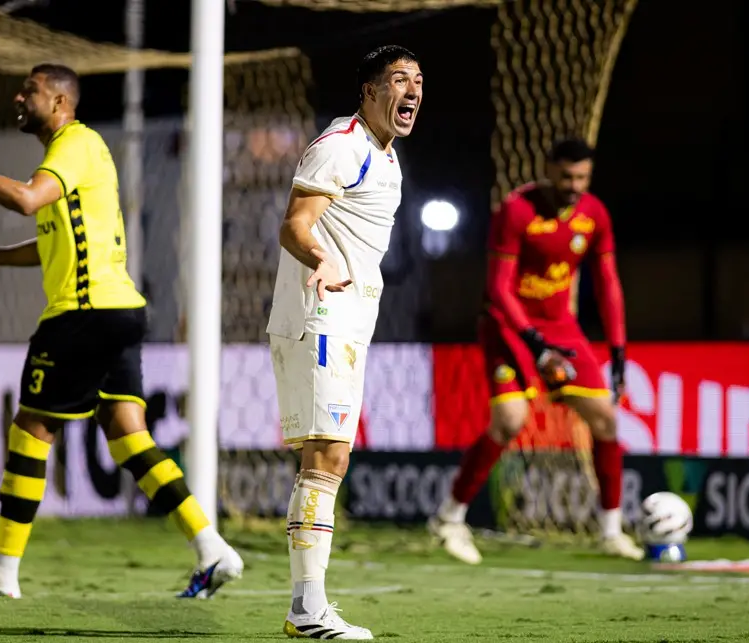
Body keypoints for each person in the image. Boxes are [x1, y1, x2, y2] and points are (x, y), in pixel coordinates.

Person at [0, 64, 243, 599]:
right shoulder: (69, 161)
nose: (18, 97)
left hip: (82, 314)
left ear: (59, 103)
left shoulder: (75, 144)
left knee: (31, 429)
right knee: (128, 437)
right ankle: (212, 547)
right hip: (119, 312)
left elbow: (27, 201)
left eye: (29, 90)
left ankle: (2, 571)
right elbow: (46, 243)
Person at [267, 45, 422, 640]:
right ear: (369, 90)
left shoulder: (386, 157)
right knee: (326, 455)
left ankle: (307, 606)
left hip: (349, 320)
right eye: (399, 80)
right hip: (319, 313)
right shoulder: (342, 145)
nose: (412, 91)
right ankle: (307, 609)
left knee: (330, 456)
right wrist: (321, 259)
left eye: (418, 81)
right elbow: (294, 225)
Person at [429, 137, 644, 564]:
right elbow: (497, 289)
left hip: (560, 328)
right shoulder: (516, 210)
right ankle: (449, 519)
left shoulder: (593, 214)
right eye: (566, 175)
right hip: (508, 327)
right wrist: (534, 344)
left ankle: (610, 531)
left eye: (582, 177)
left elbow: (608, 284)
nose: (573, 184)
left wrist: (618, 349)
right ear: (549, 169)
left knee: (605, 420)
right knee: (510, 421)